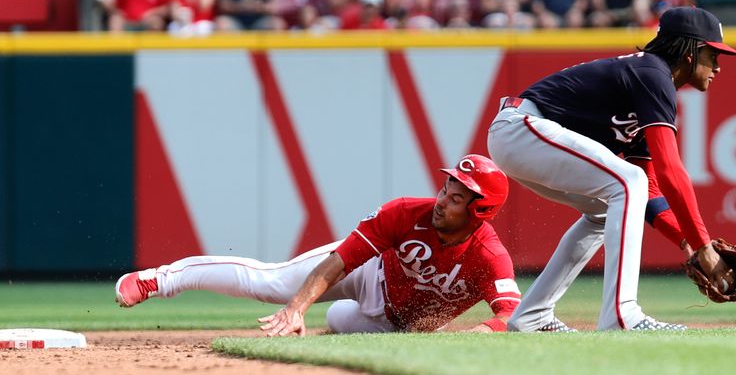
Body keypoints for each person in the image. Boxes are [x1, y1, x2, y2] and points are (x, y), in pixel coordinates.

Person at [487, 6, 736, 332]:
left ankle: (533, 316)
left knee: (609, 207)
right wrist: (704, 247)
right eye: (713, 54)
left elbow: (648, 190)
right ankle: (622, 315)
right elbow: (671, 171)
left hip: (522, 138)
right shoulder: (653, 73)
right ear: (690, 51)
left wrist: (686, 243)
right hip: (522, 127)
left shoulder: (653, 87)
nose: (718, 66)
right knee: (625, 181)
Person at [116, 155, 521, 335]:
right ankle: (160, 279)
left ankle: (336, 318)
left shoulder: (489, 256)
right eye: (446, 188)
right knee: (272, 285)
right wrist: (295, 308)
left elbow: (511, 316)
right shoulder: (405, 213)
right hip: (370, 274)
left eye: (455, 198)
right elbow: (340, 261)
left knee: (338, 323)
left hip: (397, 325)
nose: (441, 201)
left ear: (478, 212)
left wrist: (483, 333)